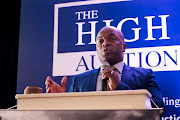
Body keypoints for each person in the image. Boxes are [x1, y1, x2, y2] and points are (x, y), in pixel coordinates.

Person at [45, 26, 164, 108]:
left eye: (112, 39)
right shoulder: (79, 80)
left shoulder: (144, 75)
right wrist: (59, 101)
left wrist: (120, 88)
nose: (105, 43)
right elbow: (68, 115)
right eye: (100, 40)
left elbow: (159, 107)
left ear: (124, 47)